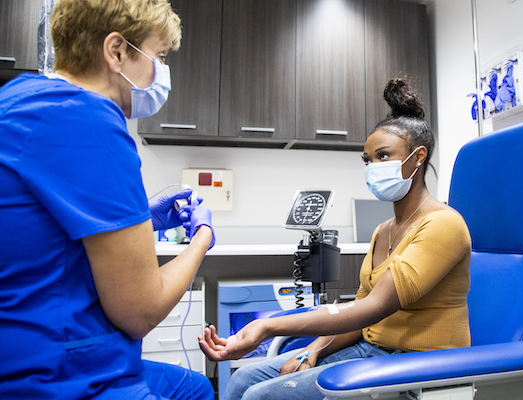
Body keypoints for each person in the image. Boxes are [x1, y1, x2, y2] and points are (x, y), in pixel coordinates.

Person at [199, 77, 472, 400]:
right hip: (370, 350)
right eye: (367, 160)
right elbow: (358, 312)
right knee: (244, 378)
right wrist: (312, 350)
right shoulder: (383, 230)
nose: (372, 167)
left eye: (383, 156)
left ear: (417, 157)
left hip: (417, 362)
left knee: (261, 396)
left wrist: (268, 326)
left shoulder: (443, 224)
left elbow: (371, 309)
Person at [0, 1, 215, 399]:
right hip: (57, 374)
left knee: (194, 386)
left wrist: (142, 219)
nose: (161, 73)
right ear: (117, 51)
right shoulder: (88, 119)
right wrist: (202, 236)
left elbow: (45, 228)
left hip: (19, 353)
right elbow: (141, 311)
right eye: (160, 57)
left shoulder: (18, 98)